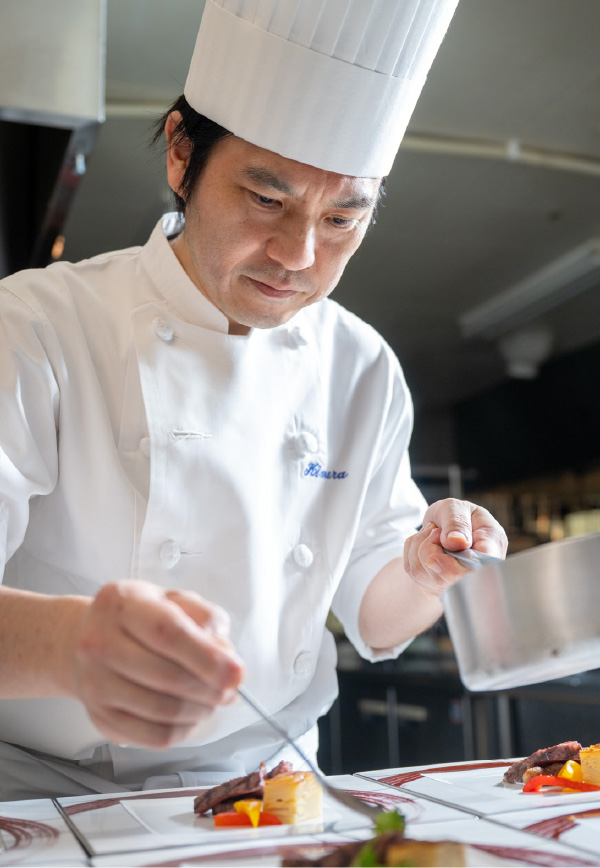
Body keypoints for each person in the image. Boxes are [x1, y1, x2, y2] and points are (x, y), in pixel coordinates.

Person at [0, 0, 506, 800]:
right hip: (44, 794)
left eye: (343, 218)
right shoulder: (34, 326)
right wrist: (65, 645)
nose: (298, 256)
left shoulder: (361, 367)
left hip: (272, 794)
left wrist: (423, 573)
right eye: (266, 200)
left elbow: (375, 619)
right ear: (180, 153)